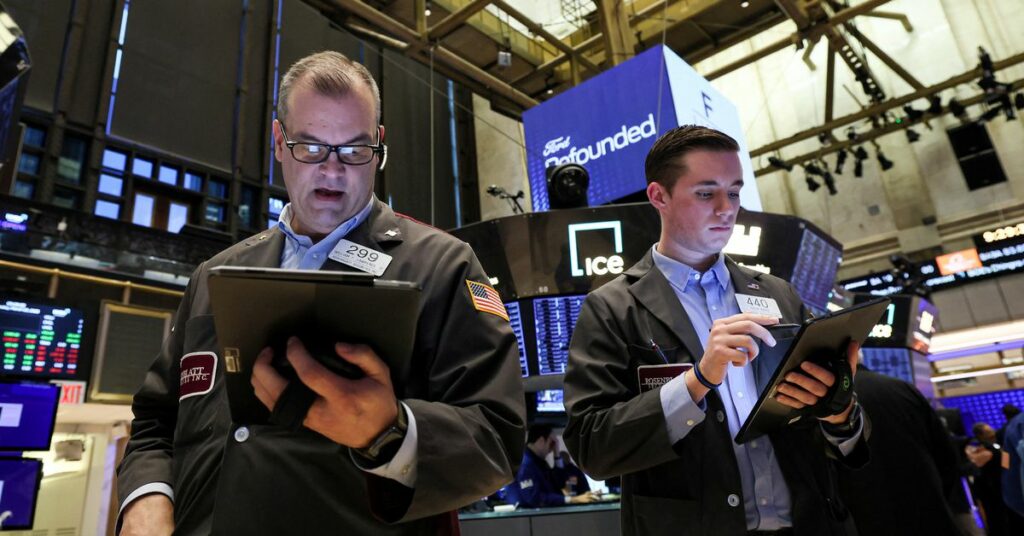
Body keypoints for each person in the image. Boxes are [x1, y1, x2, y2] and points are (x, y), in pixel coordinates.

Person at [116, 51, 526, 535]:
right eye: (310, 147)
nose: (333, 172)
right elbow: (153, 423)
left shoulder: (443, 264)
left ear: (379, 144)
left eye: (354, 150)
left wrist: (391, 433)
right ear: (278, 142)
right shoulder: (215, 273)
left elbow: (496, 438)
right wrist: (146, 500)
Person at [563, 125, 869, 536]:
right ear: (659, 196)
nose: (727, 209)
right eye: (706, 193)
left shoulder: (778, 293)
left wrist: (841, 409)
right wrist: (696, 381)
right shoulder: (612, 308)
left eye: (735, 192)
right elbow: (590, 446)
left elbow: (845, 442)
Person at [835, 365, 963, 536]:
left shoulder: (822, 405)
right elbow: (946, 456)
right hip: (928, 509)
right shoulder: (902, 388)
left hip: (867, 518)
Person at [512, 425, 596, 508]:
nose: (553, 448)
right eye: (552, 443)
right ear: (541, 441)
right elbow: (534, 499)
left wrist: (557, 456)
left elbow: (559, 484)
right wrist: (572, 499)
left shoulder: (539, 462)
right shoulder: (526, 463)